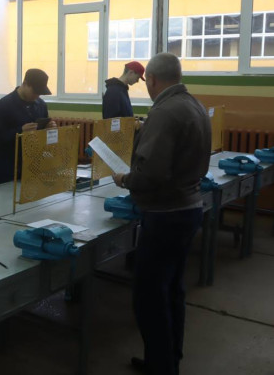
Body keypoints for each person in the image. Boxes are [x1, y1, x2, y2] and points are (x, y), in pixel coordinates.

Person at [111, 53, 211, 375]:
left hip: (166, 214)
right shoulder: (195, 105)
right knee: (171, 290)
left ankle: (161, 367)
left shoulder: (164, 112)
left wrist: (125, 179)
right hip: (189, 206)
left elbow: (150, 173)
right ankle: (167, 359)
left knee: (150, 297)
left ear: (152, 79)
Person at [0, 68, 56, 184]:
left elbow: (41, 137)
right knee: (7, 195)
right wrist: (19, 131)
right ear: (25, 84)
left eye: (39, 93)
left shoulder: (41, 105)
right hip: (8, 167)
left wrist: (48, 129)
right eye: (35, 92)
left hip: (33, 165)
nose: (37, 96)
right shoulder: (4, 105)